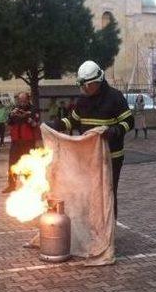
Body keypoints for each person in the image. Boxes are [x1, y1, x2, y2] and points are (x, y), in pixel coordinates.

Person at [52, 60, 134, 217]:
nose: (84, 88)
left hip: (111, 157)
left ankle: (107, 231)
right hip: (88, 157)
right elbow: (73, 121)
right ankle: (92, 227)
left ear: (98, 81)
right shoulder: (83, 100)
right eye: (83, 86)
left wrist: (114, 131)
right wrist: (56, 125)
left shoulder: (115, 97)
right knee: (88, 192)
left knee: (108, 193)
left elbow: (129, 122)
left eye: (87, 85)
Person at [2, 92, 40, 193]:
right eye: (20, 100)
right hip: (16, 142)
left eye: (24, 100)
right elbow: (9, 122)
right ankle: (11, 185)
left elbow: (35, 124)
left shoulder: (33, 110)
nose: (22, 103)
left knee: (28, 164)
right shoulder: (15, 109)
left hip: (28, 142)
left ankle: (29, 185)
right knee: (12, 164)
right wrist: (11, 115)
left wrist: (26, 116)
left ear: (28, 100)